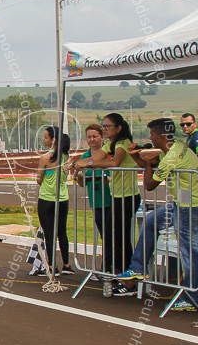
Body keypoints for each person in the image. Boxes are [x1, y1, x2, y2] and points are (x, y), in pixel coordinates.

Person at [114, 118, 198, 311]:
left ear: (161, 135)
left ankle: (192, 297)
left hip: (188, 207)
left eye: (152, 135)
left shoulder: (172, 157)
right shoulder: (175, 148)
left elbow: (149, 184)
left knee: (190, 252)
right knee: (150, 221)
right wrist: (140, 158)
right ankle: (138, 269)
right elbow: (149, 168)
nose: (150, 138)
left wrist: (146, 162)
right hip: (181, 203)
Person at [75, 113, 141, 274]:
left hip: (128, 196)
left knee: (117, 237)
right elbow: (96, 157)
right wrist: (78, 162)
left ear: (118, 128)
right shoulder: (110, 144)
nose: (104, 129)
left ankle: (125, 272)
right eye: (103, 126)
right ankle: (121, 271)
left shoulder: (123, 143)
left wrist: (87, 163)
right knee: (115, 237)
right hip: (117, 196)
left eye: (107, 126)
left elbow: (114, 162)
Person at [68, 124, 114, 274]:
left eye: (95, 136)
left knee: (114, 236)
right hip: (97, 202)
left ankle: (111, 267)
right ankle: (107, 266)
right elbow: (80, 182)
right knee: (104, 235)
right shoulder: (85, 156)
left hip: (113, 199)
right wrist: (81, 177)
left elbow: (111, 177)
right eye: (89, 137)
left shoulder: (109, 152)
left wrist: (95, 177)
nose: (92, 139)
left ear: (102, 137)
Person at [36, 126, 73, 275]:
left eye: (46, 137)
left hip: (46, 198)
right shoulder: (67, 158)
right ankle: (67, 264)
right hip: (63, 198)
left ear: (53, 140)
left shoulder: (45, 158)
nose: (44, 140)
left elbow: (39, 179)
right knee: (62, 232)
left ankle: (52, 266)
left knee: (49, 233)